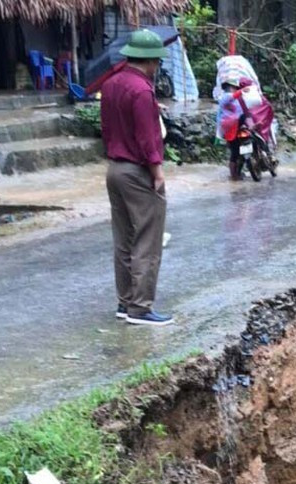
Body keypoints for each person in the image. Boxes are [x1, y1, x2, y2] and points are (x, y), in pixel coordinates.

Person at [100, 28, 173, 326]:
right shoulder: (142, 90)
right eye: (157, 62)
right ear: (151, 61)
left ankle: (125, 302)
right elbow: (146, 137)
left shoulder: (112, 83)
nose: (157, 67)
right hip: (137, 171)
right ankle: (141, 308)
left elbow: (108, 126)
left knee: (123, 238)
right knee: (147, 237)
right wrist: (157, 171)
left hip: (114, 169)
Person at [215, 73, 254, 181]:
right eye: (235, 88)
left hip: (235, 126)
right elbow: (232, 97)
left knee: (235, 152)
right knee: (234, 152)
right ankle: (234, 175)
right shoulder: (226, 97)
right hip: (232, 126)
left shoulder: (236, 99)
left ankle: (236, 174)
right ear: (231, 88)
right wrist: (242, 91)